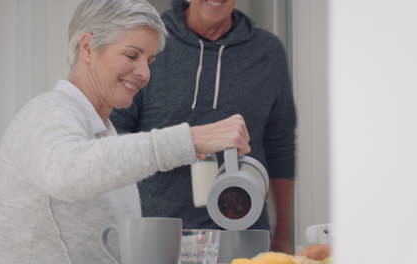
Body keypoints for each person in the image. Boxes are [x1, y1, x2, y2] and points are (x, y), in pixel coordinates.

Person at [0, 0, 251, 263]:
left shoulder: (104, 133)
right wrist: (189, 139)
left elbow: (109, 247)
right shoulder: (47, 112)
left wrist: (187, 250)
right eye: (132, 55)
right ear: (88, 47)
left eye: (150, 61)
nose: (144, 73)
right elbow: (68, 171)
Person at [110, 0, 296, 253]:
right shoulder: (150, 45)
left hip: (245, 239)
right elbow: (113, 139)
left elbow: (280, 146)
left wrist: (284, 235)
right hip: (159, 239)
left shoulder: (268, 52)